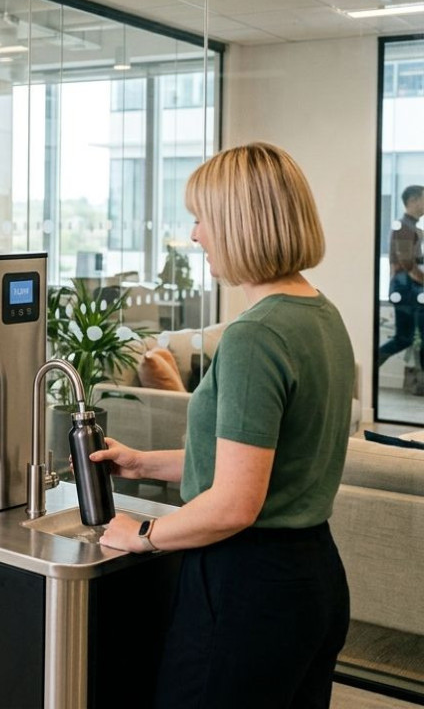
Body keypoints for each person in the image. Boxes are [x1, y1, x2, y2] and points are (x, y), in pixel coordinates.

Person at [92, 142, 352, 708]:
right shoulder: (322, 316)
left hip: (247, 585)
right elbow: (260, 462)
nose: (195, 236)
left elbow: (235, 503)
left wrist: (143, 534)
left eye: (201, 218)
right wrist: (142, 462)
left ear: (240, 224)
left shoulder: (255, 335)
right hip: (312, 577)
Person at [378, 185, 424, 369]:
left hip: (408, 289)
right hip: (406, 289)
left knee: (405, 338)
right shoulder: (404, 227)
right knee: (404, 338)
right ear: (413, 200)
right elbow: (407, 264)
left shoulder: (412, 227)